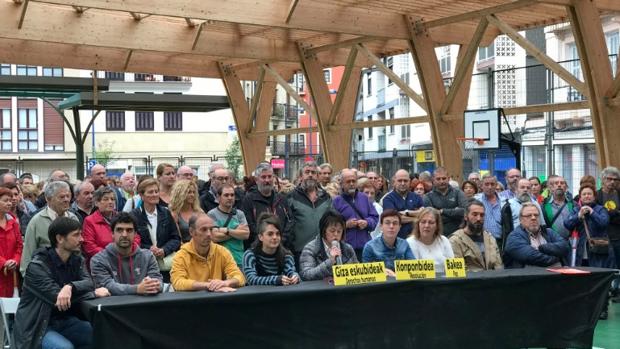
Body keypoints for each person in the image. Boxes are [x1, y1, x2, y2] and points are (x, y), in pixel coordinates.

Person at [13, 217, 110, 349]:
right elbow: (57, 298)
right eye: (76, 235)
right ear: (59, 239)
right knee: (64, 347)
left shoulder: (77, 260)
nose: (82, 239)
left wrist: (70, 286)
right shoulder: (37, 266)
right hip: (38, 326)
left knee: (100, 335)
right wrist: (93, 294)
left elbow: (89, 282)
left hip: (65, 320)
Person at [90, 212, 163, 295]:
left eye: (129, 230)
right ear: (112, 234)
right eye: (119, 230)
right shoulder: (99, 260)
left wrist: (153, 285)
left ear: (135, 234)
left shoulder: (148, 256)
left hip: (144, 306)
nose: (124, 235)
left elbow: (158, 281)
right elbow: (107, 286)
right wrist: (137, 289)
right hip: (113, 306)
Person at [170, 214, 245, 292]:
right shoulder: (181, 255)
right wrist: (208, 285)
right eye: (204, 229)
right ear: (191, 232)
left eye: (211, 229)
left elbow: (240, 277)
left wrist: (226, 283)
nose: (209, 234)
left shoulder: (222, 251)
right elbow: (177, 282)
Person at [20, 181, 79, 275]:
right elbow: (28, 253)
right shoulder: (36, 221)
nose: (66, 199)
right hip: (45, 275)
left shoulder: (73, 218)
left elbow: (78, 250)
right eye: (61, 197)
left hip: (70, 274)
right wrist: (29, 278)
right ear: (48, 199)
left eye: (68, 196)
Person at [131, 178, 181, 276]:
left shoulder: (166, 213)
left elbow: (176, 238)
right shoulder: (133, 216)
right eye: (150, 192)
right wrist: (148, 248)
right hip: (143, 265)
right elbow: (132, 241)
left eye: (156, 191)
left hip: (166, 266)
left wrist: (164, 250)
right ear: (141, 195)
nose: (154, 194)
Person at [241, 163, 294, 250]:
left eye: (270, 177)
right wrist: (266, 240)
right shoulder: (248, 200)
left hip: (282, 248)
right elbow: (249, 224)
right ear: (256, 179)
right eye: (263, 177)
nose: (267, 180)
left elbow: (290, 221)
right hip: (259, 249)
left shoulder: (282, 199)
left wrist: (280, 239)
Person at [287, 161, 332, 261]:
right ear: (301, 176)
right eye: (307, 172)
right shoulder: (291, 197)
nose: (310, 175)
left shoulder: (325, 197)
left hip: (323, 250)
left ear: (317, 176)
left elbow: (331, 220)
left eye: (313, 172)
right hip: (300, 251)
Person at [503, 203, 570, 268]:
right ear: (521, 220)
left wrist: (543, 248)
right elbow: (531, 257)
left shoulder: (549, 232)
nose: (533, 218)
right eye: (529, 215)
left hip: (555, 276)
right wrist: (556, 258)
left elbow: (565, 246)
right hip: (528, 277)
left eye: (536, 215)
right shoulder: (514, 237)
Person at [333, 169, 379, 260]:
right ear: (341, 184)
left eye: (353, 181)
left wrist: (366, 223)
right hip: (345, 249)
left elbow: (374, 218)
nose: (351, 184)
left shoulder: (364, 198)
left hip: (364, 247)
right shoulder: (336, 201)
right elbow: (331, 225)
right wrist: (345, 225)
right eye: (348, 181)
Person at [299, 210, 357, 281]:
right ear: (323, 230)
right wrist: (330, 262)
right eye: (332, 231)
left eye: (339, 231)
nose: (336, 234)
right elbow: (306, 275)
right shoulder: (310, 249)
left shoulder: (348, 249)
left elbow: (357, 272)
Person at [242, 214, 299, 286]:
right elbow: (251, 280)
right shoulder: (249, 255)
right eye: (270, 234)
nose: (275, 237)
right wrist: (276, 280)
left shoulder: (287, 256)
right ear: (260, 237)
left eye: (277, 234)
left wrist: (295, 277)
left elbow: (291, 271)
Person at [449, 200, 503, 271]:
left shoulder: (490, 238)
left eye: (482, 215)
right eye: (474, 214)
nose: (478, 218)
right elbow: (456, 272)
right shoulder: (454, 241)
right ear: (466, 217)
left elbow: (498, 266)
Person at [564, 184, 609, 267]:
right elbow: (567, 224)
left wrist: (592, 213)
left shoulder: (601, 209)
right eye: (584, 194)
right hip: (580, 250)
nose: (587, 196)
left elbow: (604, 223)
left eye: (589, 194)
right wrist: (578, 216)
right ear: (580, 197)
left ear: (594, 196)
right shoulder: (576, 210)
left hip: (597, 251)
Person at [362, 209, 415, 276]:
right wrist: (381, 271)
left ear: (399, 227)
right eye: (387, 223)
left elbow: (413, 267)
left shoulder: (404, 244)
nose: (391, 226)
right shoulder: (370, 246)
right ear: (381, 227)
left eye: (395, 223)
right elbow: (366, 273)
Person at [207, 184, 250, 266]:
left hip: (239, 259)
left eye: (232, 195)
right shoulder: (212, 214)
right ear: (218, 197)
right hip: (220, 261)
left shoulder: (240, 214)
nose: (230, 198)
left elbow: (246, 234)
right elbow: (214, 237)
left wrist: (227, 230)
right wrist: (237, 231)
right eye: (226, 195)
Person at [596, 166, 620, 303]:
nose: (612, 182)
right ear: (603, 180)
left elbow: (605, 216)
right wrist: (615, 214)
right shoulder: (596, 195)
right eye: (609, 179)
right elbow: (599, 218)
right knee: (603, 267)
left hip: (618, 236)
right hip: (601, 238)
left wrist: (608, 215)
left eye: (615, 179)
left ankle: (617, 290)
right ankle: (604, 294)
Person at [406, 207, 454, 273]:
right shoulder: (410, 242)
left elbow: (452, 267)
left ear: (437, 225)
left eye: (431, 222)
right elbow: (412, 271)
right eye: (423, 222)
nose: (426, 225)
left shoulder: (444, 240)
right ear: (418, 224)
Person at [501, 178, 545, 250]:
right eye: (522, 187)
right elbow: (506, 231)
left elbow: (542, 225)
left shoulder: (536, 204)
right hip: (517, 244)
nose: (525, 190)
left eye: (528, 188)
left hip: (537, 244)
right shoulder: (508, 205)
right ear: (516, 189)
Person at [423, 167, 467, 236]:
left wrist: (442, 211)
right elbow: (431, 218)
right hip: (437, 236)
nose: (441, 181)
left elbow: (464, 212)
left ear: (448, 178)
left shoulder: (458, 193)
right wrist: (455, 213)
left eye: (444, 178)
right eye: (438, 179)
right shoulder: (427, 197)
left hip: (458, 235)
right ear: (433, 180)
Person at [383, 169, 424, 239]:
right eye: (400, 180)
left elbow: (423, 214)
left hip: (416, 239)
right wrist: (416, 218)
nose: (402, 183)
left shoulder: (417, 197)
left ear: (409, 182)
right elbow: (394, 219)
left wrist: (406, 213)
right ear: (394, 182)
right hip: (397, 240)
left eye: (405, 181)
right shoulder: (388, 199)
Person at [0, 187, 22, 297]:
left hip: (11, 274)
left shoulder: (13, 223)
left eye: (10, 200)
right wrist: (3, 263)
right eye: (5, 200)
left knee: (9, 308)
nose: (9, 203)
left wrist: (15, 261)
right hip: (2, 269)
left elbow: (19, 246)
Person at [474, 174, 503, 247]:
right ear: (481, 185)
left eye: (492, 184)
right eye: (486, 184)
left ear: (496, 185)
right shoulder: (476, 200)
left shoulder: (504, 201)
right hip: (481, 241)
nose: (489, 187)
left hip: (500, 241)